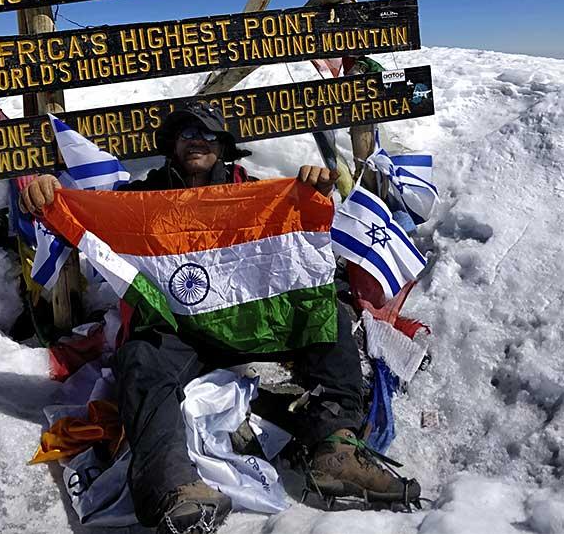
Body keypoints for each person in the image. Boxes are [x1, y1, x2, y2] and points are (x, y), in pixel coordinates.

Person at [21, 101, 420, 533]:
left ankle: (335, 448)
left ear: (224, 148)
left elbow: (296, 250)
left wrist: (311, 189)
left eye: (209, 134)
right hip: (177, 331)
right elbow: (83, 219)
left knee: (329, 316)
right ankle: (171, 485)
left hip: (251, 324)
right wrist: (46, 196)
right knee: (139, 358)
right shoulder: (137, 199)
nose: (198, 141)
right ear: (170, 146)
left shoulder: (257, 194)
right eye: (186, 133)